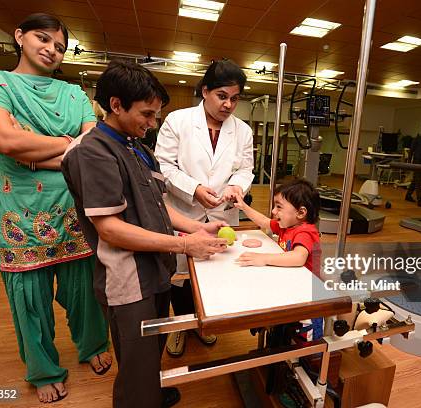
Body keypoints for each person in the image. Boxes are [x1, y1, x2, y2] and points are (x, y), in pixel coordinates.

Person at [61, 59, 229, 408]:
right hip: (128, 280)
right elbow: (111, 229)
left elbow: (155, 204)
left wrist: (196, 226)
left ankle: (148, 394)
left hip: (155, 270)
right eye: (147, 115)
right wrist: (185, 244)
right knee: (136, 362)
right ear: (116, 105)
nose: (152, 124)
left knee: (150, 352)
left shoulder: (135, 147)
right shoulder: (92, 152)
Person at [0, 13, 111, 404]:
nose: (51, 49)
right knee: (28, 297)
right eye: (43, 39)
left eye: (60, 47)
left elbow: (91, 146)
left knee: (84, 287)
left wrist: (33, 149)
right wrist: (60, 145)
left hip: (72, 205)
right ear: (20, 36)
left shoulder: (74, 94)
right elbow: (5, 140)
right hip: (20, 210)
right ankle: (43, 368)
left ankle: (93, 344)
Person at [154, 59, 254, 356]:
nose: (228, 105)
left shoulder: (243, 131)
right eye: (222, 96)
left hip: (222, 213)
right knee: (180, 275)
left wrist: (237, 187)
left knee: (216, 272)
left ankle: (203, 323)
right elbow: (163, 166)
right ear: (205, 91)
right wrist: (194, 189)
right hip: (183, 212)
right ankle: (183, 326)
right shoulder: (178, 120)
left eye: (234, 99)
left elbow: (246, 169)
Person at [232, 179, 323, 343]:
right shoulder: (286, 225)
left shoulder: (305, 231)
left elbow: (298, 257)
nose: (273, 211)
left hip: (308, 297)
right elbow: (264, 222)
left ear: (301, 213)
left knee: (308, 341)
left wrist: (263, 258)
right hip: (291, 287)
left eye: (279, 207)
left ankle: (311, 361)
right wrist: (244, 207)